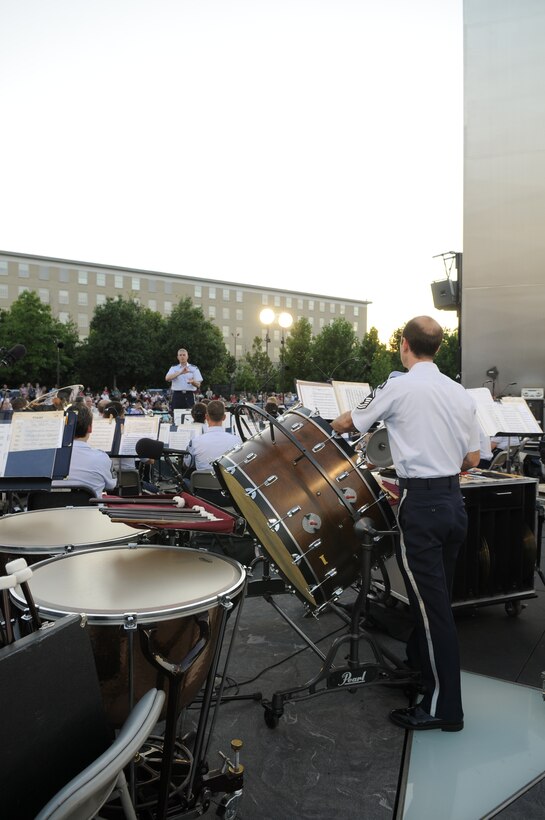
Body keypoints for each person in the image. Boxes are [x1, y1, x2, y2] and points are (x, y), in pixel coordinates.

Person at [332, 316, 480, 733]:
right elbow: (473, 459)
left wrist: (332, 423)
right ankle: (420, 668)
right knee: (436, 602)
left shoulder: (399, 384)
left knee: (434, 614)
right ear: (437, 346)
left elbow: (348, 424)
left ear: (403, 344)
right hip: (453, 503)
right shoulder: (459, 392)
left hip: (423, 506)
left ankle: (444, 708)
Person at [53, 404, 117, 497]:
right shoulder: (101, 458)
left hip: (50, 510)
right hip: (89, 511)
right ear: (90, 428)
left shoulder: (47, 457)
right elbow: (111, 485)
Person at [187, 399, 241, 471]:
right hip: (225, 481)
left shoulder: (195, 442)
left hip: (202, 482)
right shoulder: (236, 441)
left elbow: (187, 464)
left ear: (206, 417)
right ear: (224, 417)